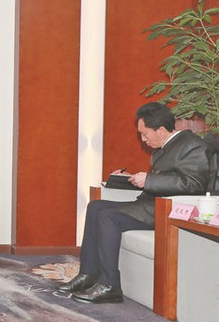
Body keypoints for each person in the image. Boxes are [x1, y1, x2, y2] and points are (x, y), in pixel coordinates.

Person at [59, 102, 213, 304]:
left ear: (160, 130)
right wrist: (127, 179)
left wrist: (149, 180)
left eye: (145, 134)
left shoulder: (192, 145)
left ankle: (110, 285)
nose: (143, 139)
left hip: (166, 210)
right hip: (149, 205)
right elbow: (162, 181)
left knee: (108, 217)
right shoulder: (164, 147)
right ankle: (88, 274)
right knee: (95, 207)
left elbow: (194, 184)